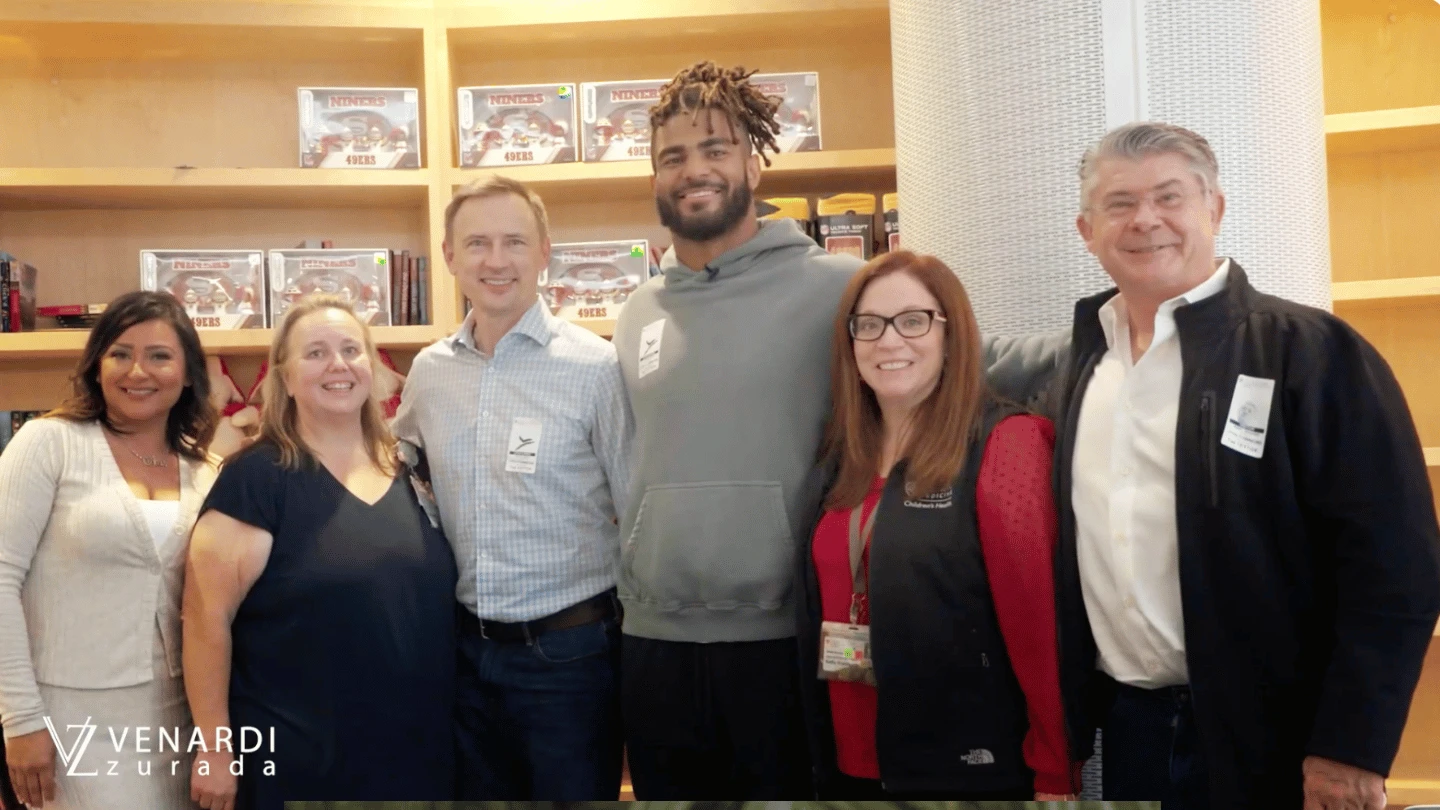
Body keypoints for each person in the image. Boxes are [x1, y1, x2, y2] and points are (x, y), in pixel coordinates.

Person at [612, 60, 1067, 799]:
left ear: (753, 164)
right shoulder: (639, 309)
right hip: (654, 641)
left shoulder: (833, 287)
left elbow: (953, 356)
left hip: (784, 639)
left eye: (716, 149)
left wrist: (1117, 332)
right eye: (673, 156)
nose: (694, 170)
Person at [1046, 121, 1440, 807]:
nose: (1146, 220)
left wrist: (1350, 747)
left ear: (1215, 209)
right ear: (1086, 229)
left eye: (1170, 197)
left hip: (1281, 743)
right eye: (1120, 204)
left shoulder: (1310, 352)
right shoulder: (1082, 365)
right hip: (1129, 731)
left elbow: (1395, 564)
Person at [794, 250, 1078, 799]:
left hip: (966, 767)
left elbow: (1039, 625)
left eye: (914, 320)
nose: (889, 341)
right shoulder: (840, 459)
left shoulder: (1007, 444)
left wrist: (1054, 767)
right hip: (846, 763)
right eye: (869, 325)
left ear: (953, 334)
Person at [390, 176, 633, 800]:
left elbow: (634, 508)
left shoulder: (594, 367)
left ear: (544, 251)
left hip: (572, 658)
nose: (495, 262)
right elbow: (399, 471)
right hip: (465, 654)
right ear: (448, 256)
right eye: (476, 243)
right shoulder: (430, 372)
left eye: (514, 242)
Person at [184, 295, 456, 810]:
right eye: (315, 353)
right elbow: (204, 621)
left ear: (372, 370)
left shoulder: (411, 471)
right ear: (284, 378)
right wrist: (215, 751)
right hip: (297, 765)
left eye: (351, 350)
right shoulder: (255, 480)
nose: (337, 364)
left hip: (416, 761)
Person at [0, 290, 218, 809]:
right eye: (120, 353)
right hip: (66, 718)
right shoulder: (48, 441)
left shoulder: (208, 469)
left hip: (175, 719)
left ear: (188, 373)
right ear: (97, 366)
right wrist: (21, 719)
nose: (137, 371)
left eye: (160, 355)